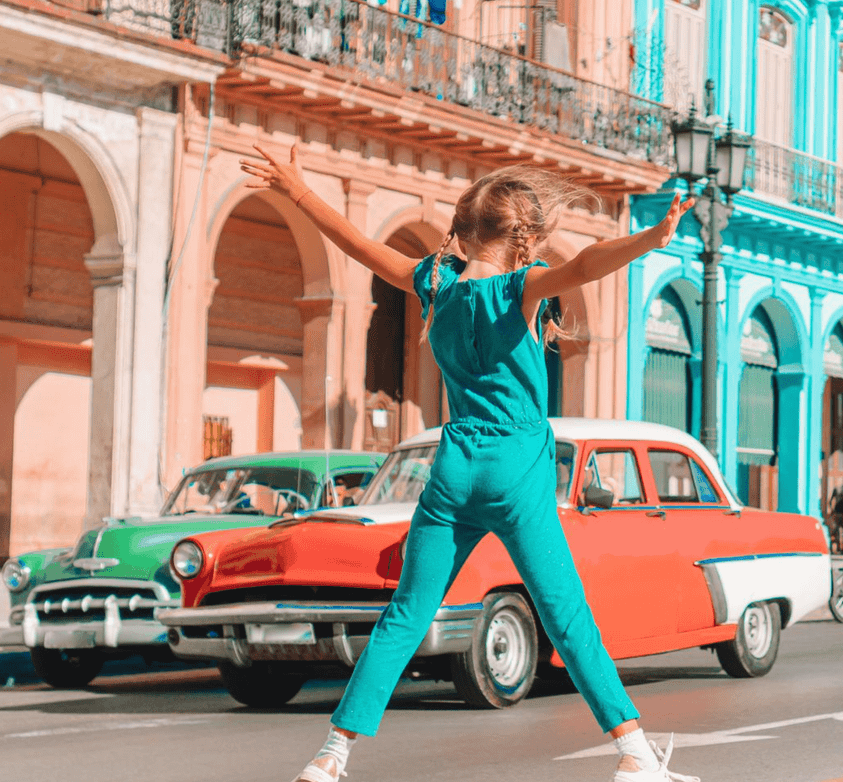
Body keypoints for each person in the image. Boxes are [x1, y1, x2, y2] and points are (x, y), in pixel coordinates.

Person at [241, 146, 699, 782]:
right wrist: (653, 237)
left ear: (468, 227)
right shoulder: (520, 288)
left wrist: (299, 190)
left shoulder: (435, 284)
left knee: (406, 614)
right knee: (564, 614)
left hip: (453, 463)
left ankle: (330, 757)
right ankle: (635, 755)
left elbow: (355, 243)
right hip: (517, 465)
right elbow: (590, 265)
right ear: (522, 240)